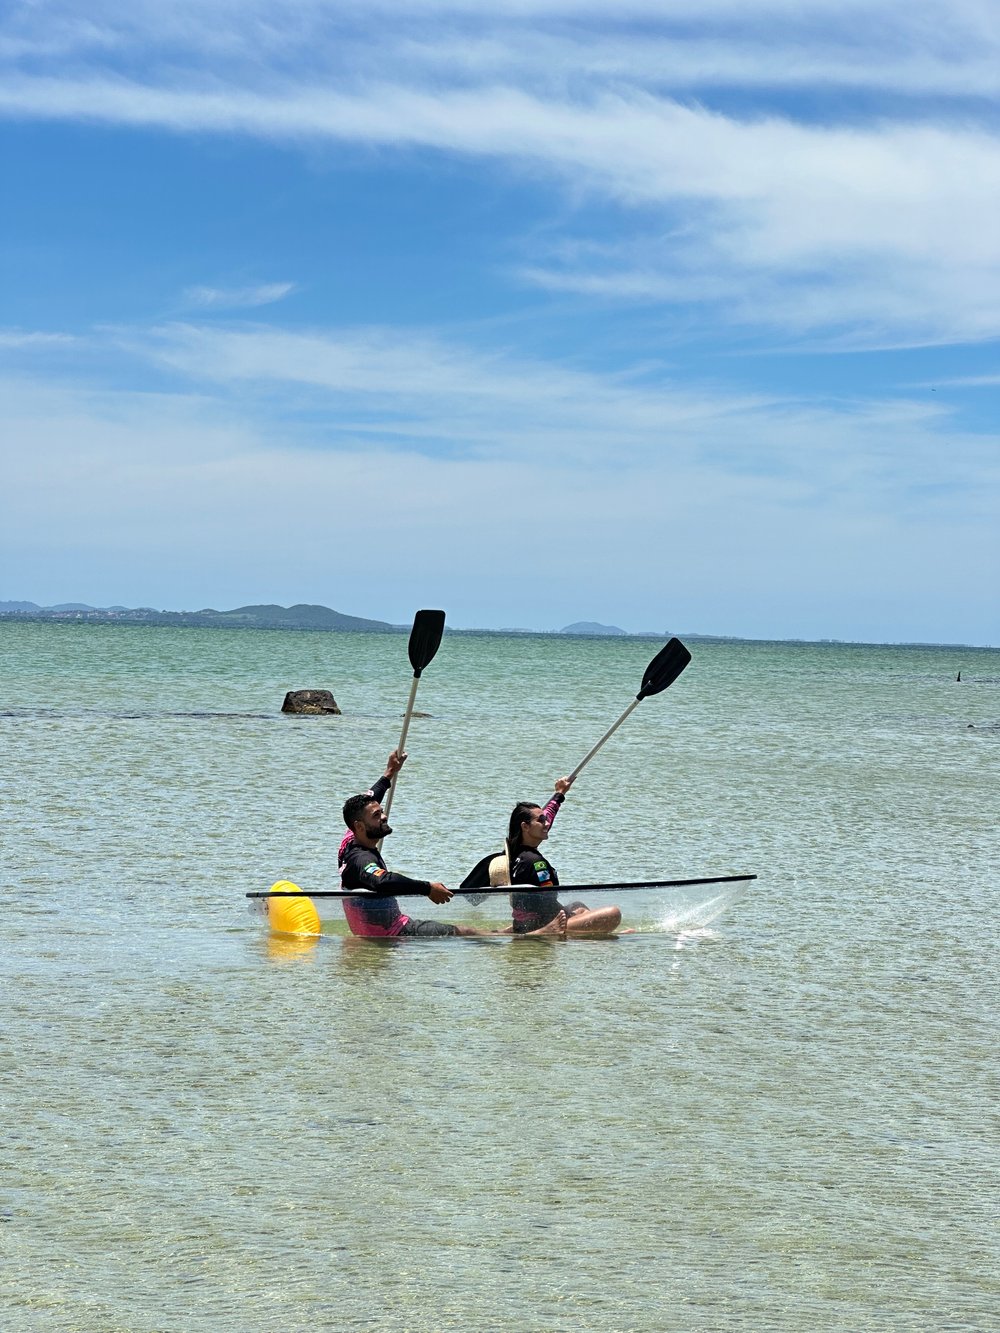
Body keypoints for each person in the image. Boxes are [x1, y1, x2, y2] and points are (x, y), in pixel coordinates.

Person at [338, 751, 565, 939]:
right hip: (393, 931)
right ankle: (538, 935)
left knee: (470, 932)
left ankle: (507, 933)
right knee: (463, 932)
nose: (384, 816)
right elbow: (382, 881)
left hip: (380, 926)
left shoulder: (352, 836)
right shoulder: (360, 859)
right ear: (359, 826)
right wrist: (427, 888)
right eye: (377, 816)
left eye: (381, 812)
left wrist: (388, 774)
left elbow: (370, 797)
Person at [502, 776, 624, 937]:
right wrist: (568, 916)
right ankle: (558, 932)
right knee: (613, 913)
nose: (547, 824)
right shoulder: (536, 863)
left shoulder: (515, 853)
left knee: (578, 906)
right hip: (540, 924)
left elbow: (545, 820)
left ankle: (591, 935)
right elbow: (547, 902)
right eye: (541, 820)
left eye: (545, 819)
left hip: (525, 921)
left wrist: (559, 794)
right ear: (525, 826)